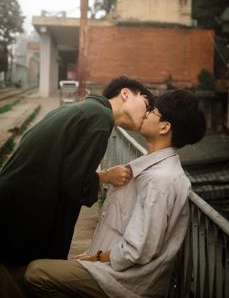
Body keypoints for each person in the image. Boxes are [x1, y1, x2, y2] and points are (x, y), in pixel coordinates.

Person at [24, 89, 206, 298]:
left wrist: (96, 258)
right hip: (114, 269)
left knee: (35, 273)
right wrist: (95, 256)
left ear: (164, 127)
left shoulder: (160, 180)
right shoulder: (156, 172)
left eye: (153, 111)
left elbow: (138, 250)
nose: (146, 113)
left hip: (124, 283)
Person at [0, 76, 154, 265]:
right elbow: (75, 184)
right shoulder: (100, 119)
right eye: (146, 104)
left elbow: (68, 171)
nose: (147, 114)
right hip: (23, 214)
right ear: (125, 94)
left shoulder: (87, 109)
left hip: (14, 201)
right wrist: (105, 177)